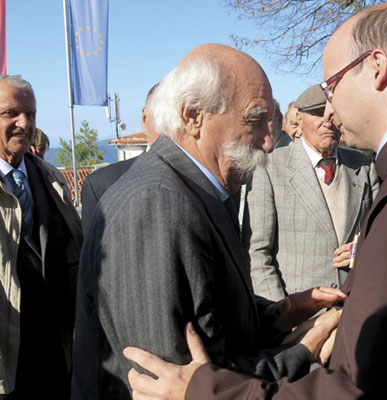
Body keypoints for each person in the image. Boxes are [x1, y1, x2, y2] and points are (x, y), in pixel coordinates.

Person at [123, 4, 387, 398]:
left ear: (377, 68)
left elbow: (375, 390)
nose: (331, 107)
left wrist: (210, 391)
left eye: (332, 84)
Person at [72, 44, 344, 400]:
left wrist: (278, 315)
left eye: (271, 122)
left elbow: (211, 324)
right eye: (254, 120)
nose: (267, 143)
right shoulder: (157, 204)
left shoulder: (197, 191)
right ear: (193, 116)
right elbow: (177, 382)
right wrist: (305, 348)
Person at [247, 84, 379, 301]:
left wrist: (362, 249)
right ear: (299, 118)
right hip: (299, 320)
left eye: (334, 113)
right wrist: (283, 313)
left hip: (356, 310)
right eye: (318, 113)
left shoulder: (365, 166)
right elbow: (257, 254)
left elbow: (383, 234)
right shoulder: (269, 169)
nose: (328, 120)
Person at [0, 75, 82, 399]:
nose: (24, 123)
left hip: (58, 356)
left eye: (31, 114)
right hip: (8, 366)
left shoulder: (52, 180)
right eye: (11, 114)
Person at [80, 83, 160, 233]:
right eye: (163, 116)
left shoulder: (211, 183)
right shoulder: (102, 185)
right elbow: (93, 254)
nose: (172, 125)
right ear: (144, 117)